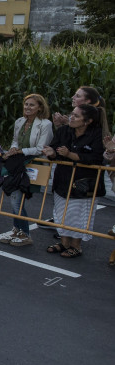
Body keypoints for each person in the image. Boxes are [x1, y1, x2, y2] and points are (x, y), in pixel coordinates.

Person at [42, 103, 106, 258]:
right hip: (63, 179)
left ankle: (76, 246)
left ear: (88, 121)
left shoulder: (97, 134)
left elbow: (96, 158)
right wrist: (50, 153)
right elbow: (54, 150)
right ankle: (64, 242)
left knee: (77, 214)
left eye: (76, 116)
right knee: (61, 212)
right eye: (72, 114)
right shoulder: (64, 131)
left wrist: (70, 154)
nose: (71, 117)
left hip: (84, 182)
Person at [0, 94, 54, 246]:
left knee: (17, 200)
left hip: (32, 165)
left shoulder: (45, 124)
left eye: (32, 105)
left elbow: (40, 148)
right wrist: (12, 149)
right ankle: (17, 230)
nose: (27, 107)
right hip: (17, 164)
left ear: (40, 108)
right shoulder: (20, 121)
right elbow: (15, 140)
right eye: (26, 104)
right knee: (15, 200)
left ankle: (25, 233)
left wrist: (21, 151)